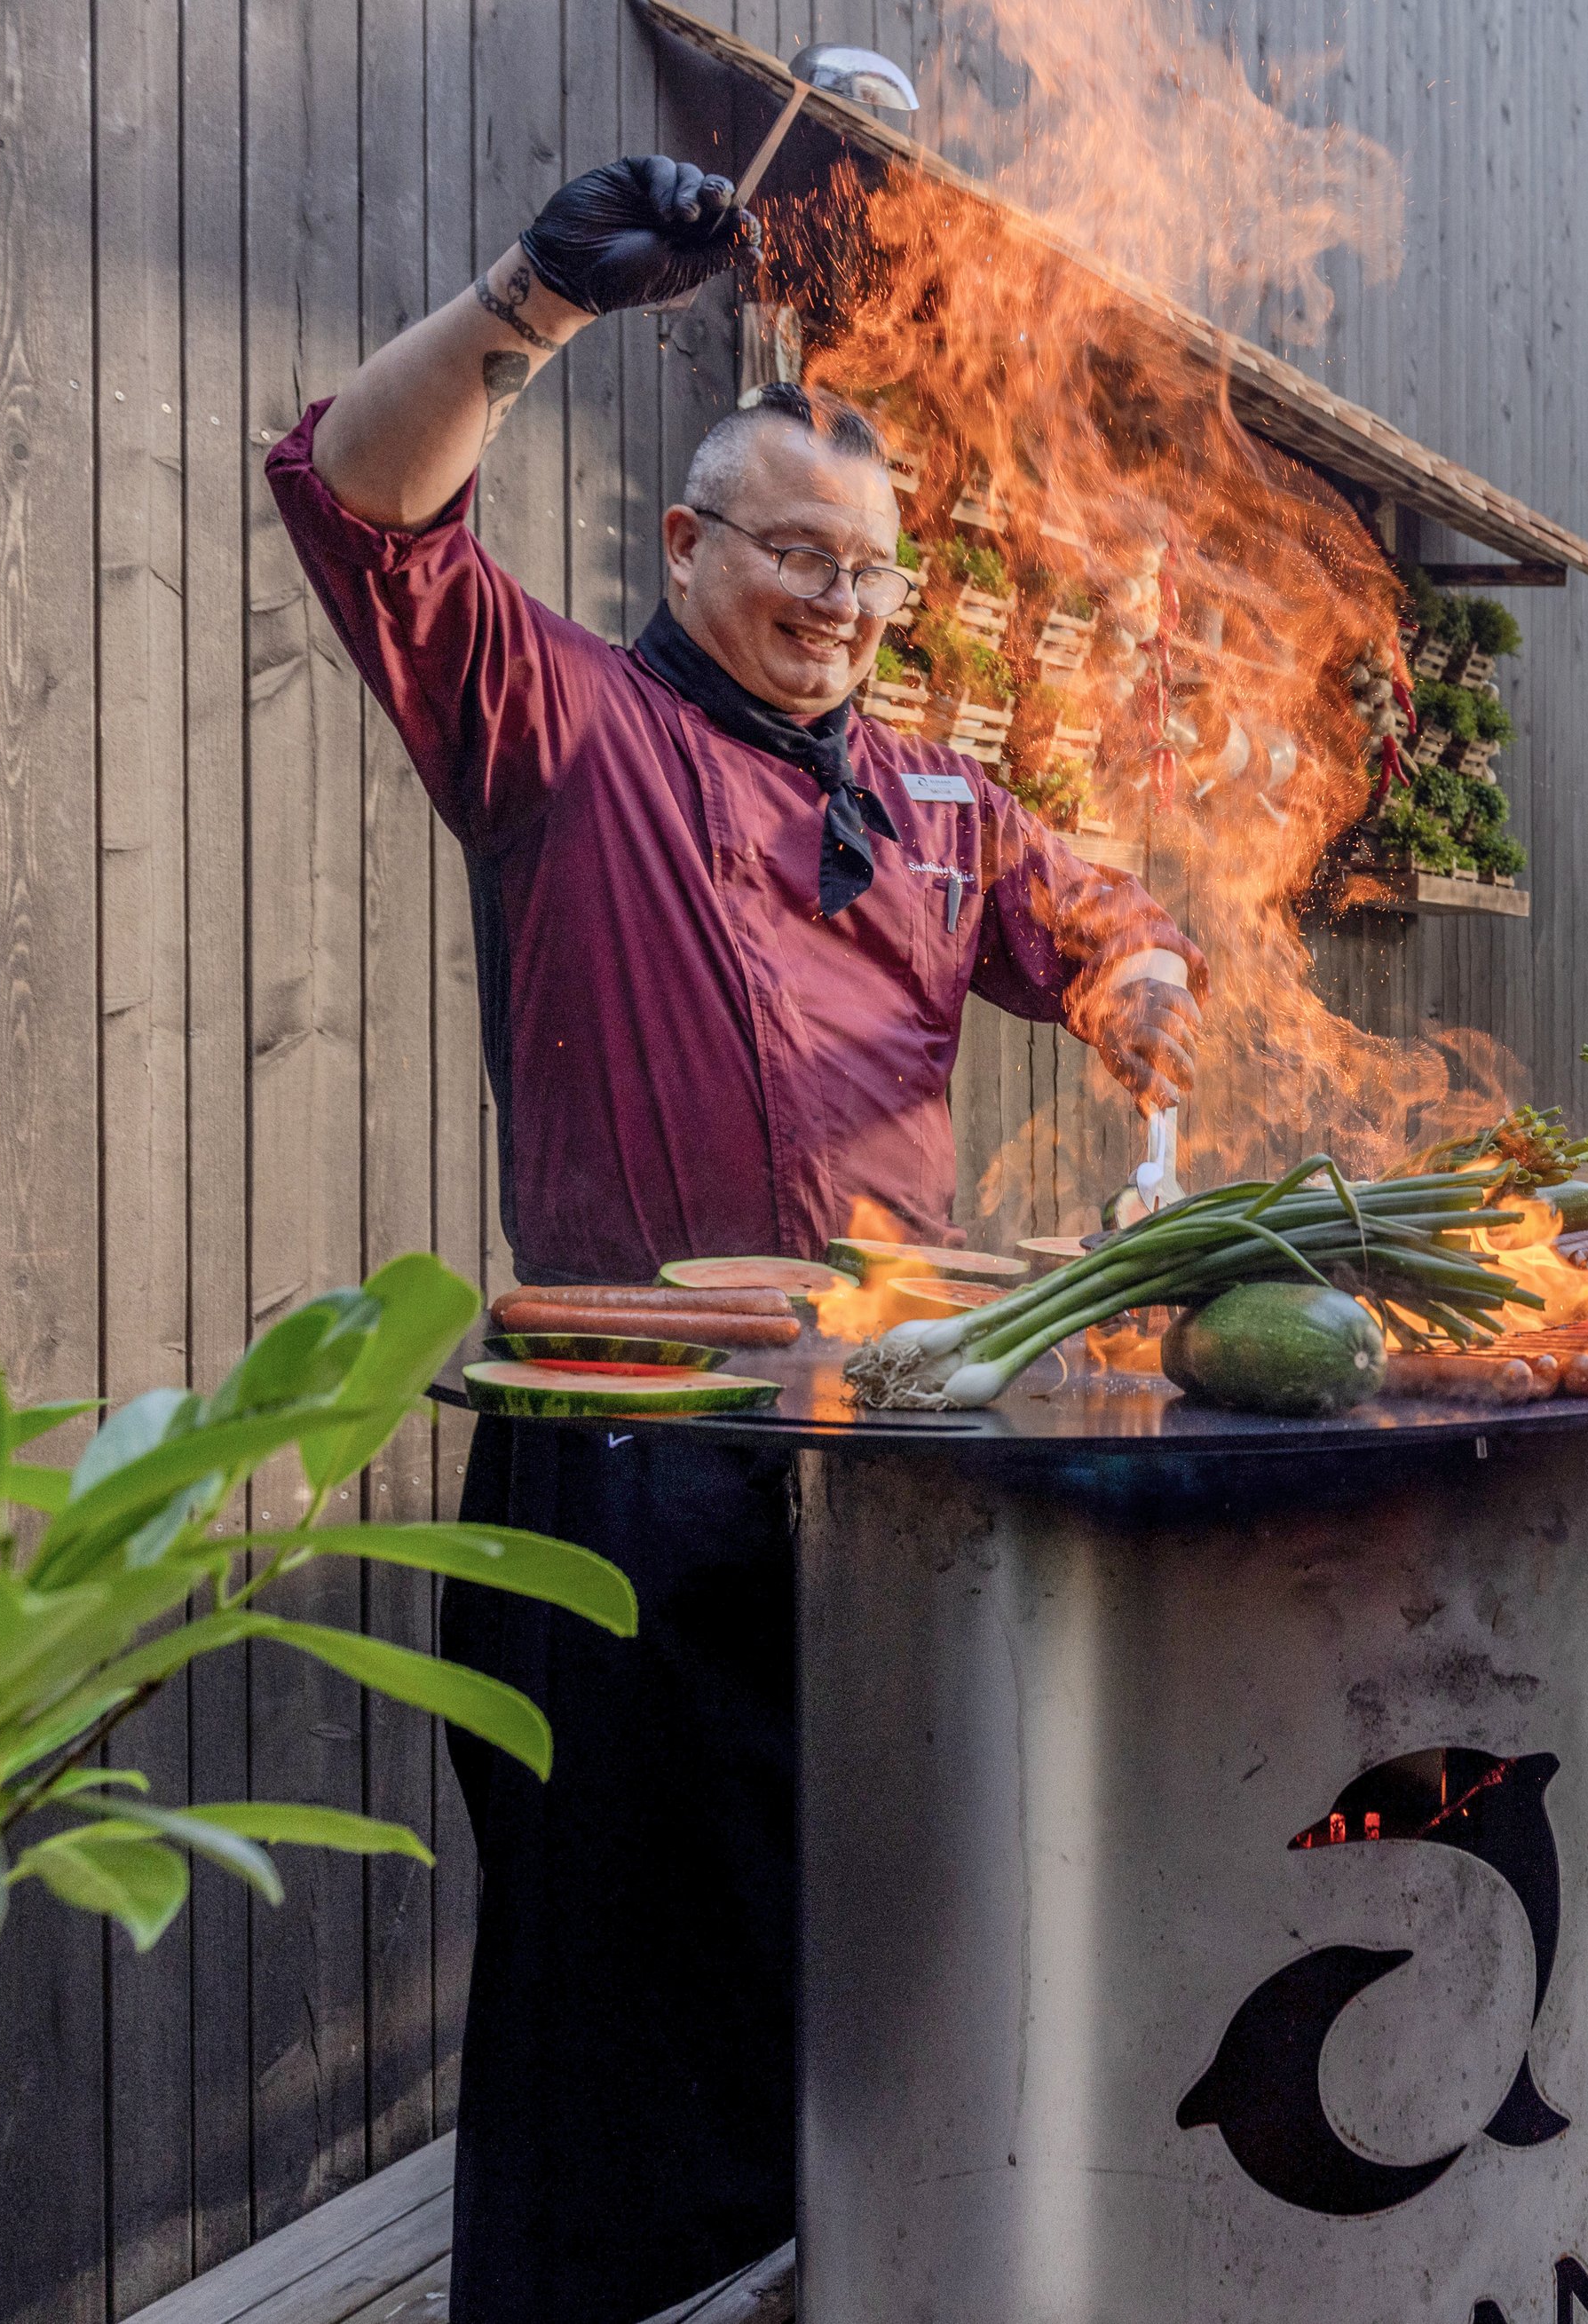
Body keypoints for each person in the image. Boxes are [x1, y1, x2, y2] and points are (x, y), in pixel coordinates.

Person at [266, 153, 1204, 2317]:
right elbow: (362, 504)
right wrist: (525, 298)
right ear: (684, 545)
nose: (838, 605)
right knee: (616, 2013)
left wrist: (1136, 987)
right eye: (793, 556)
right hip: (624, 1460)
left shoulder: (935, 805)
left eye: (870, 577)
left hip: (880, 1461)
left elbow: (1098, 913)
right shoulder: (560, 724)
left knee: (877, 1956)